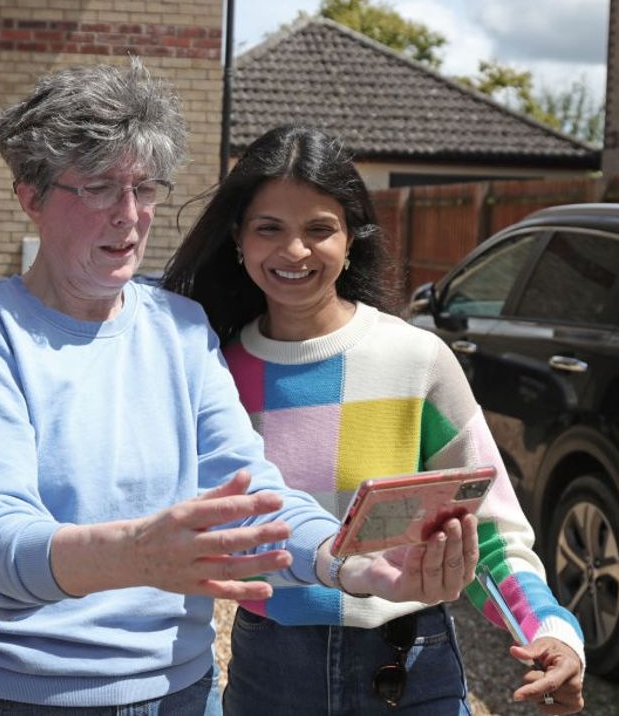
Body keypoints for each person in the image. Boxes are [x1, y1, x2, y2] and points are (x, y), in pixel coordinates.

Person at [0, 61, 480, 714]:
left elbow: (251, 491)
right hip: (9, 694)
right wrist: (132, 555)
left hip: (180, 692)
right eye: (101, 188)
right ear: (31, 196)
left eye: (146, 188)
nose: (130, 217)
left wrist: (344, 562)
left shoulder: (180, 329)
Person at [163, 125, 587, 715]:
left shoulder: (418, 359)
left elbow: (490, 534)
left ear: (351, 237)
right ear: (237, 238)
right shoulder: (214, 371)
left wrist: (547, 630)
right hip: (268, 672)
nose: (294, 251)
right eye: (269, 229)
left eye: (319, 229)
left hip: (413, 667)